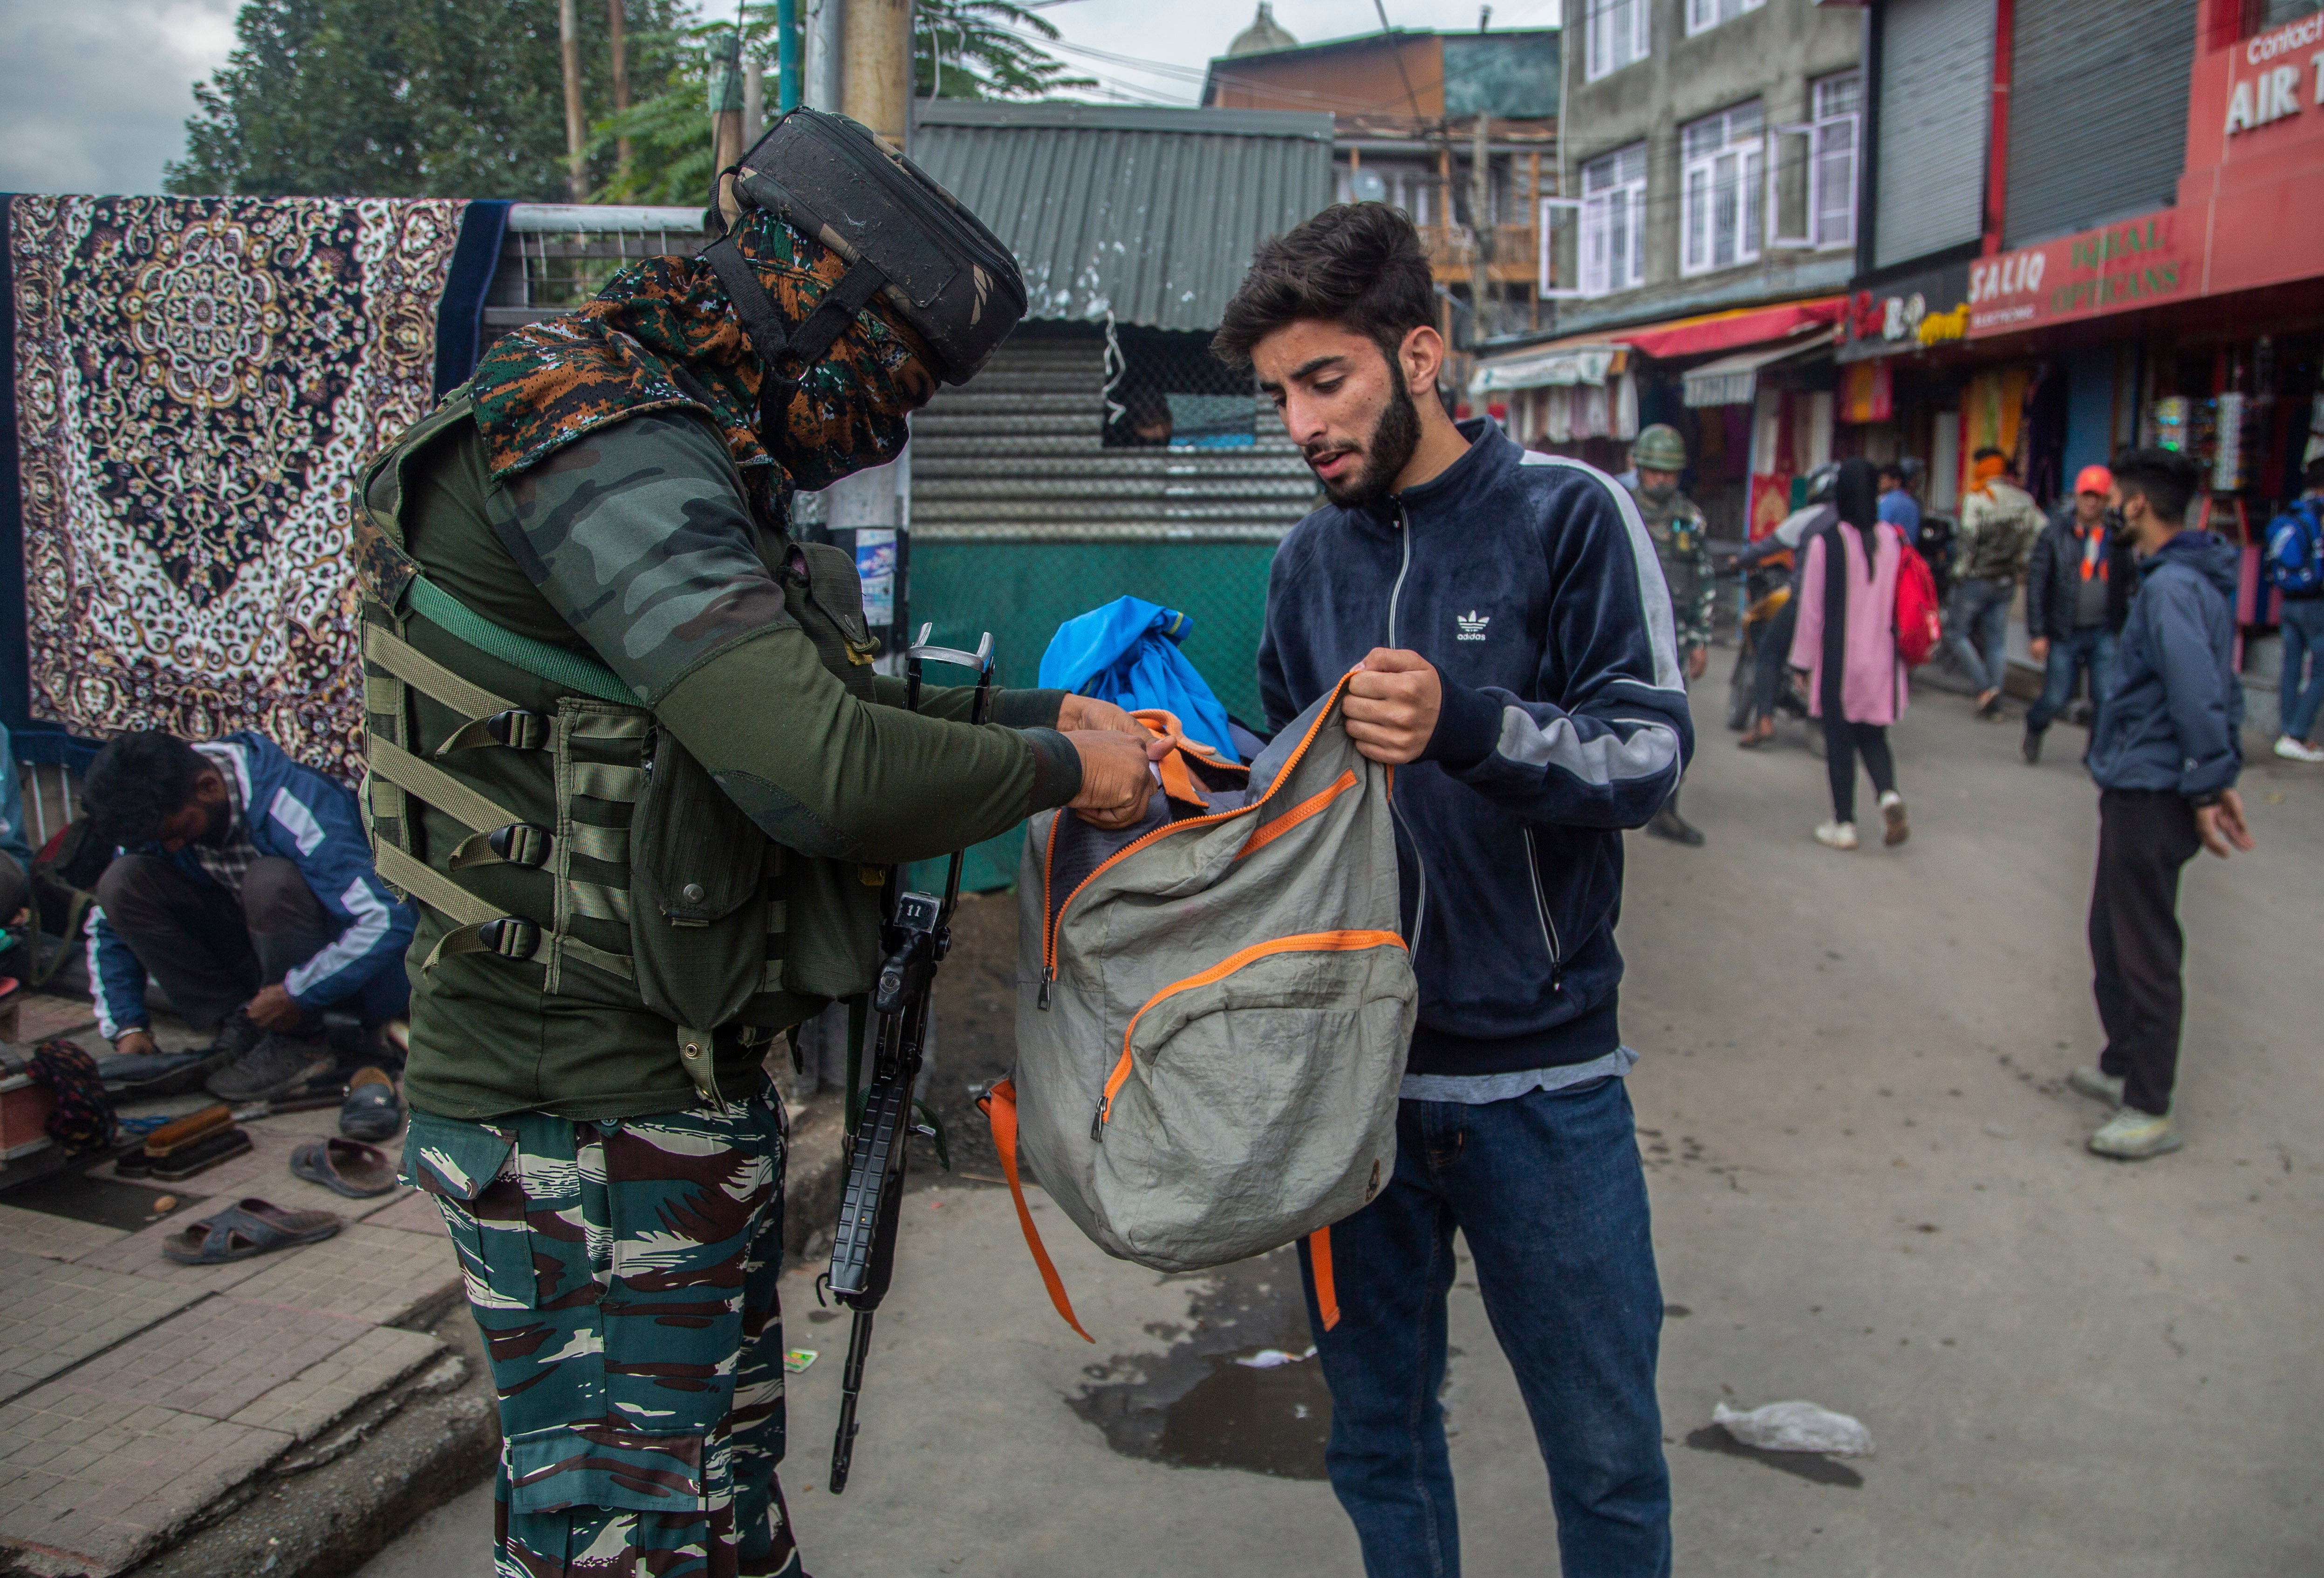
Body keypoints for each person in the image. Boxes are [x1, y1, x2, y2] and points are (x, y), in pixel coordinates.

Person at [363, 187, 1162, 1575]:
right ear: (816, 307)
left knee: (713, 1513)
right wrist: (1059, 774)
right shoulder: (596, 439)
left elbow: (823, 696)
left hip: (652, 1097)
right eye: (892, 381)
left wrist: (1049, 719)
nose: (886, 429)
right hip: (583, 1120)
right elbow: (825, 764)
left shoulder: (663, 432)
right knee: (630, 1528)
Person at [1221, 202, 1690, 1578]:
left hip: (1546, 1091)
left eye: (1327, 380)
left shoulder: (1567, 515)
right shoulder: (1307, 562)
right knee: (1376, 1437)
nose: (1301, 422)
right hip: (1355, 1090)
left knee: (1605, 1454)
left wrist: (1467, 723)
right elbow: (1279, 789)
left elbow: (1650, 756)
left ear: (1419, 355)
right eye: (1279, 396)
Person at [2070, 447, 2252, 1160]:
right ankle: (2122, 1065)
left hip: (2153, 788)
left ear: (2138, 504)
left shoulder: (2174, 587)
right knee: (2111, 935)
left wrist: (2208, 784)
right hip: (2145, 779)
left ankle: (2150, 1105)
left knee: (2143, 948)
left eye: (2117, 497)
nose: (2111, 508)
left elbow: (2197, 690)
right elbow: (2219, 688)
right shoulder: (2185, 580)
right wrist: (2218, 772)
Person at [80, 730, 414, 1100]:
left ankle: (299, 1042)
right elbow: (107, 923)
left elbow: (388, 917)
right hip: (254, 968)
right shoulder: (158, 815)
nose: (173, 846)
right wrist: (127, 1026)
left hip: (340, 979)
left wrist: (298, 993)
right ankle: (240, 1025)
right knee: (122, 881)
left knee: (270, 881)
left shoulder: (294, 802)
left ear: (208, 786)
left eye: (179, 831)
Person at [1788, 458, 1910, 851]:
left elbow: (1812, 611)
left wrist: (1801, 662)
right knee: (1874, 737)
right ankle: (1888, 794)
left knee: (1840, 741)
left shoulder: (1827, 543)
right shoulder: (1893, 538)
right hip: (1882, 660)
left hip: (1839, 662)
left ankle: (1844, 825)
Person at [1627, 423, 1712, 845]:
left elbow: (1702, 580)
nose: (1662, 480)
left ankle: (1666, 810)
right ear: (1638, 467)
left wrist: (1700, 638)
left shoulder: (1690, 520)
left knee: (1672, 728)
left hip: (1672, 640)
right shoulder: (1617, 508)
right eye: (1655, 471)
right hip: (1622, 635)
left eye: (1670, 473)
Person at [2022, 464, 2135, 764]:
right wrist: (2038, 632)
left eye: (2098, 497)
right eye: (2087, 496)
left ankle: (2096, 753)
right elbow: (2037, 584)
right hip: (2064, 630)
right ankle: (2035, 727)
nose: (2092, 503)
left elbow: (2130, 583)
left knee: (2105, 696)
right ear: (2077, 496)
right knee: (2056, 697)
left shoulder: (2117, 537)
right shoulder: (2054, 533)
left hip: (2104, 630)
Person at [1733, 465, 1839, 748]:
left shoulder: (1808, 517)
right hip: (1846, 609)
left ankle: (1764, 721)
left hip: (1805, 601)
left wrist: (1739, 561)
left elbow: (1768, 546)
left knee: (1768, 652)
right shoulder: (1859, 523)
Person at [1947, 447, 2044, 718]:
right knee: (1996, 642)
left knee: (1956, 633)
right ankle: (1995, 698)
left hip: (1976, 580)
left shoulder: (1978, 498)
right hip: (2007, 580)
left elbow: (1967, 541)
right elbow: (2042, 532)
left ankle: (1986, 687)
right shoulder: (2023, 500)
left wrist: (1958, 574)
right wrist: (2022, 558)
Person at [2266, 456, 2324, 761]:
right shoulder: (2319, 514)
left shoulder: (2292, 511)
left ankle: (2287, 729)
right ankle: (2298, 734)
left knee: (2291, 666)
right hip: (2315, 604)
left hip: (2287, 602)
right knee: (2321, 670)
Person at [1876, 458, 1921, 545]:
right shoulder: (1914, 504)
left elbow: (1878, 530)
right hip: (1909, 553)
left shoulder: (1886, 502)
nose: (1880, 482)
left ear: (1896, 482)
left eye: (1883, 479)